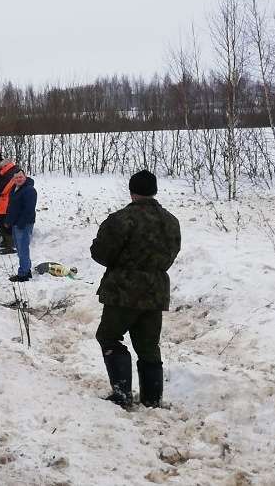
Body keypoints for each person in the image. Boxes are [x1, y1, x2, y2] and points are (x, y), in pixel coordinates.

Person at [91, 170, 181, 409]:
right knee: (148, 345)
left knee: (109, 337)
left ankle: (122, 394)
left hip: (123, 291)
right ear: (154, 191)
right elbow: (171, 255)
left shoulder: (121, 219)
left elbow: (101, 253)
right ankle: (152, 398)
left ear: (132, 192)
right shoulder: (171, 221)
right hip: (155, 292)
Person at [5, 170, 37, 281]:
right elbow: (12, 207)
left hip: (24, 224)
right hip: (16, 223)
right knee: (20, 248)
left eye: (20, 177)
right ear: (13, 179)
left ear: (25, 176)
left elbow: (29, 210)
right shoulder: (14, 189)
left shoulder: (29, 190)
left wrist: (20, 224)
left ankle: (23, 274)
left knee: (22, 249)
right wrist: (8, 221)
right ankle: (26, 270)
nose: (19, 179)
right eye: (16, 177)